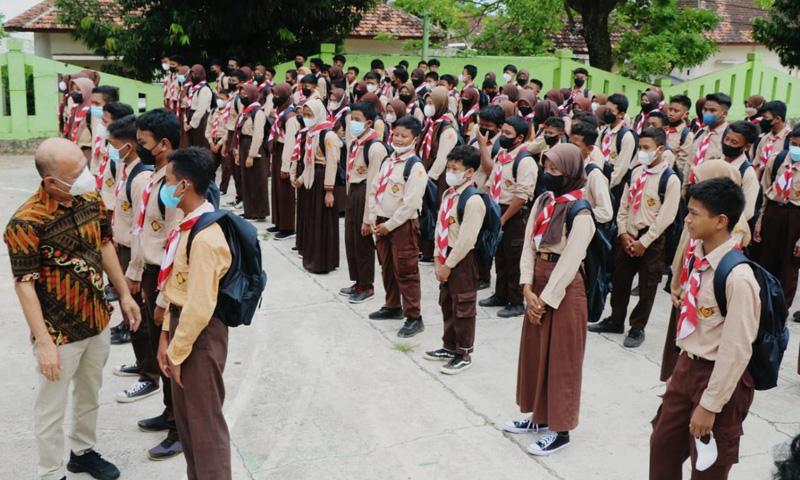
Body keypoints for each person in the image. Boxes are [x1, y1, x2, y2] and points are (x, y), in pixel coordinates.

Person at [5, 137, 142, 480]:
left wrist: (123, 294)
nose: (86, 176)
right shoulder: (26, 221)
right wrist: (45, 342)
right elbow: (25, 284)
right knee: (50, 408)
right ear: (51, 182)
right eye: (77, 172)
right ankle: (52, 473)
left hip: (96, 317)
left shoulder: (89, 199)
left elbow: (105, 244)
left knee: (89, 392)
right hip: (59, 330)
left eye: (84, 167)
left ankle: (83, 452)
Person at [650, 177, 759, 480]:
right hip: (687, 369)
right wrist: (679, 371)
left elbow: (737, 350)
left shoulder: (739, 278)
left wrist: (710, 405)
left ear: (721, 221)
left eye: (695, 213)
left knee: (708, 468)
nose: (686, 220)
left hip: (719, 380)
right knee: (662, 449)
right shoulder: (697, 260)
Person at [504, 143, 594, 455]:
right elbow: (529, 244)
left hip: (564, 289)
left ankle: (561, 429)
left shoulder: (581, 211)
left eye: (555, 170)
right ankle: (538, 417)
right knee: (536, 353)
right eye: (546, 168)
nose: (548, 174)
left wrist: (544, 299)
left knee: (562, 360)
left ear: (569, 173)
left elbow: (571, 261)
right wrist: (527, 287)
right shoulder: (545, 200)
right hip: (538, 282)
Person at [155, 147, 232, 480]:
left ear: (184, 185)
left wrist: (177, 350)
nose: (165, 187)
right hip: (181, 331)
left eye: (168, 181)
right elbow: (178, 289)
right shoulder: (187, 225)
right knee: (189, 428)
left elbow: (200, 305)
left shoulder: (205, 236)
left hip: (197, 338)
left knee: (205, 429)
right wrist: (165, 338)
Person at [659, 161, 752, 382]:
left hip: (702, 305)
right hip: (684, 293)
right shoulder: (696, 219)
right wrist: (676, 286)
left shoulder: (733, 234)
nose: (694, 187)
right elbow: (683, 254)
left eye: (700, 182)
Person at [126, 108, 184, 460]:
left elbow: (176, 243)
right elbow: (141, 231)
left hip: (166, 278)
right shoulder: (153, 180)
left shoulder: (174, 185)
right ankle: (168, 412)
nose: (140, 146)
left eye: (144, 141)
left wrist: (164, 295)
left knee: (171, 353)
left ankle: (180, 428)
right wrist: (134, 271)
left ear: (163, 144)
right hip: (148, 273)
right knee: (157, 346)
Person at [589, 128, 680, 347]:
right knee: (620, 280)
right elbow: (624, 205)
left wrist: (644, 242)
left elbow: (665, 217)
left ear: (660, 149)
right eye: (640, 148)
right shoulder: (636, 172)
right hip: (628, 234)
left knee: (648, 285)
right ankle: (616, 319)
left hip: (651, 239)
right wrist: (622, 232)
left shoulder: (670, 179)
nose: (642, 152)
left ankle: (637, 328)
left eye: (646, 148)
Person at [104, 115, 161, 403]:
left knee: (140, 315)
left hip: (134, 253)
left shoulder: (141, 178)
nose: (109, 150)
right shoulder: (127, 169)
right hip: (123, 248)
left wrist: (134, 269)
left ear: (129, 146)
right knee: (132, 315)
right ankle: (142, 363)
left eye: (113, 145)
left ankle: (150, 376)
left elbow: (141, 229)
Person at [424, 146, 486, 374]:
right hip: (445, 253)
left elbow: (467, 240)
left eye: (454, 169)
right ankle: (449, 346)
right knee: (447, 302)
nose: (449, 172)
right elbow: (440, 226)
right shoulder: (449, 194)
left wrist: (449, 264)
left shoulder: (473, 201)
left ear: (469, 172)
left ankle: (464, 352)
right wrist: (437, 258)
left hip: (461, 258)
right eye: (448, 168)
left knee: (463, 305)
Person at [367, 116, 427, 338]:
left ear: (415, 138)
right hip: (381, 223)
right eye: (396, 135)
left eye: (404, 136)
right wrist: (373, 216)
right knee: (387, 266)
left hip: (401, 225)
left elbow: (409, 203)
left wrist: (389, 226)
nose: (399, 140)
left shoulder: (415, 166)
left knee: (406, 270)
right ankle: (392, 305)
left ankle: (414, 316)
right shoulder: (388, 161)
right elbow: (375, 188)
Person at [479, 116, 537, 318]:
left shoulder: (525, 160)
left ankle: (516, 301)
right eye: (502, 132)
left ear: (520, 138)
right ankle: (500, 294)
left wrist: (503, 219)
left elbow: (522, 196)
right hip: (497, 209)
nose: (502, 136)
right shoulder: (502, 154)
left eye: (507, 134)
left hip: (513, 213)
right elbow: (492, 180)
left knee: (514, 258)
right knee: (500, 256)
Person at [340, 102, 388, 303]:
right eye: (352, 119)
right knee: (351, 240)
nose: (353, 123)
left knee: (363, 241)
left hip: (365, 194)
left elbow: (374, 184)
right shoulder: (356, 142)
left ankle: (367, 285)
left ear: (369, 123)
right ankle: (358, 280)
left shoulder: (374, 147)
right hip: (354, 192)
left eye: (358, 120)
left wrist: (369, 218)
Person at [290, 98, 340, 273]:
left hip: (323, 179)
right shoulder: (312, 134)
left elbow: (332, 164)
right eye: (304, 115)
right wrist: (301, 179)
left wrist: (329, 191)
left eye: (310, 114)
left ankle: (323, 262)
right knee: (313, 220)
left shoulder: (328, 135)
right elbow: (308, 162)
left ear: (319, 114)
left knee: (323, 221)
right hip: (312, 178)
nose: (306, 118)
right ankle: (312, 257)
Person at [756, 126, 800, 308]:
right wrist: (760, 221)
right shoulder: (777, 160)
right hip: (773, 213)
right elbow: (765, 193)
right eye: (794, 144)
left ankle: (780, 311)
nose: (796, 148)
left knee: (789, 268)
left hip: (796, 217)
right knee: (765, 262)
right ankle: (760, 306)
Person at [419, 86, 459, 261]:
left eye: (431, 103)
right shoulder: (430, 124)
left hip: (438, 178)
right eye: (426, 103)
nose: (428, 106)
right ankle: (424, 249)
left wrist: (428, 178)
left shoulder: (447, 129)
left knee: (434, 212)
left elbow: (442, 158)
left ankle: (432, 251)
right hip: (425, 174)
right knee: (425, 212)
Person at [233, 84, 269, 221]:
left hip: (254, 147)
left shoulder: (257, 112)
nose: (242, 96)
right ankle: (249, 210)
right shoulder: (245, 111)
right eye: (241, 93)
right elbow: (238, 132)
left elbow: (258, 135)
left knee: (257, 180)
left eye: (245, 94)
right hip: (244, 145)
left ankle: (259, 212)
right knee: (247, 180)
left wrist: (251, 155)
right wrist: (237, 151)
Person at [598, 93, 637, 215]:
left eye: (611, 111)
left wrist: (604, 187)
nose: (607, 113)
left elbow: (621, 170)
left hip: (612, 186)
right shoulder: (604, 131)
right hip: (600, 177)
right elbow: (596, 152)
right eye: (606, 109)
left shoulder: (626, 137)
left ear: (621, 114)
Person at [268, 83, 298, 240]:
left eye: (278, 95)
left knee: (285, 191)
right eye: (274, 95)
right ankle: (278, 222)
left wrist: (286, 166)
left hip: (285, 153)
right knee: (276, 189)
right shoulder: (280, 112)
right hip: (278, 151)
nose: (275, 98)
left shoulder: (290, 116)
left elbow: (290, 143)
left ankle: (288, 227)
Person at [686, 93, 732, 186]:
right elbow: (689, 163)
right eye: (705, 109)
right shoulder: (700, 133)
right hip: (691, 189)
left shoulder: (729, 137)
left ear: (724, 113)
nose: (707, 113)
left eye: (712, 110)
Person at [721, 121, 760, 227]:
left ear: (747, 147)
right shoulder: (717, 162)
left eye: (734, 142)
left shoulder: (747, 173)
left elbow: (747, 212)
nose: (728, 144)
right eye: (727, 139)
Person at [753, 101, 792, 178]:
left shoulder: (791, 140)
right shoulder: (764, 138)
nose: (762, 120)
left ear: (777, 118)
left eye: (765, 117)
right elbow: (757, 165)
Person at [65, 77, 96, 164]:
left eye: (79, 89)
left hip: (88, 150)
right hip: (75, 149)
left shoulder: (93, 110)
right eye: (73, 89)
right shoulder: (75, 108)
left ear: (87, 90)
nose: (74, 92)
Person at [665, 95, 694, 178]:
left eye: (676, 111)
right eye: (670, 109)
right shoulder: (662, 128)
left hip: (669, 175)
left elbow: (681, 163)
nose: (671, 113)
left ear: (686, 114)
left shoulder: (686, 135)